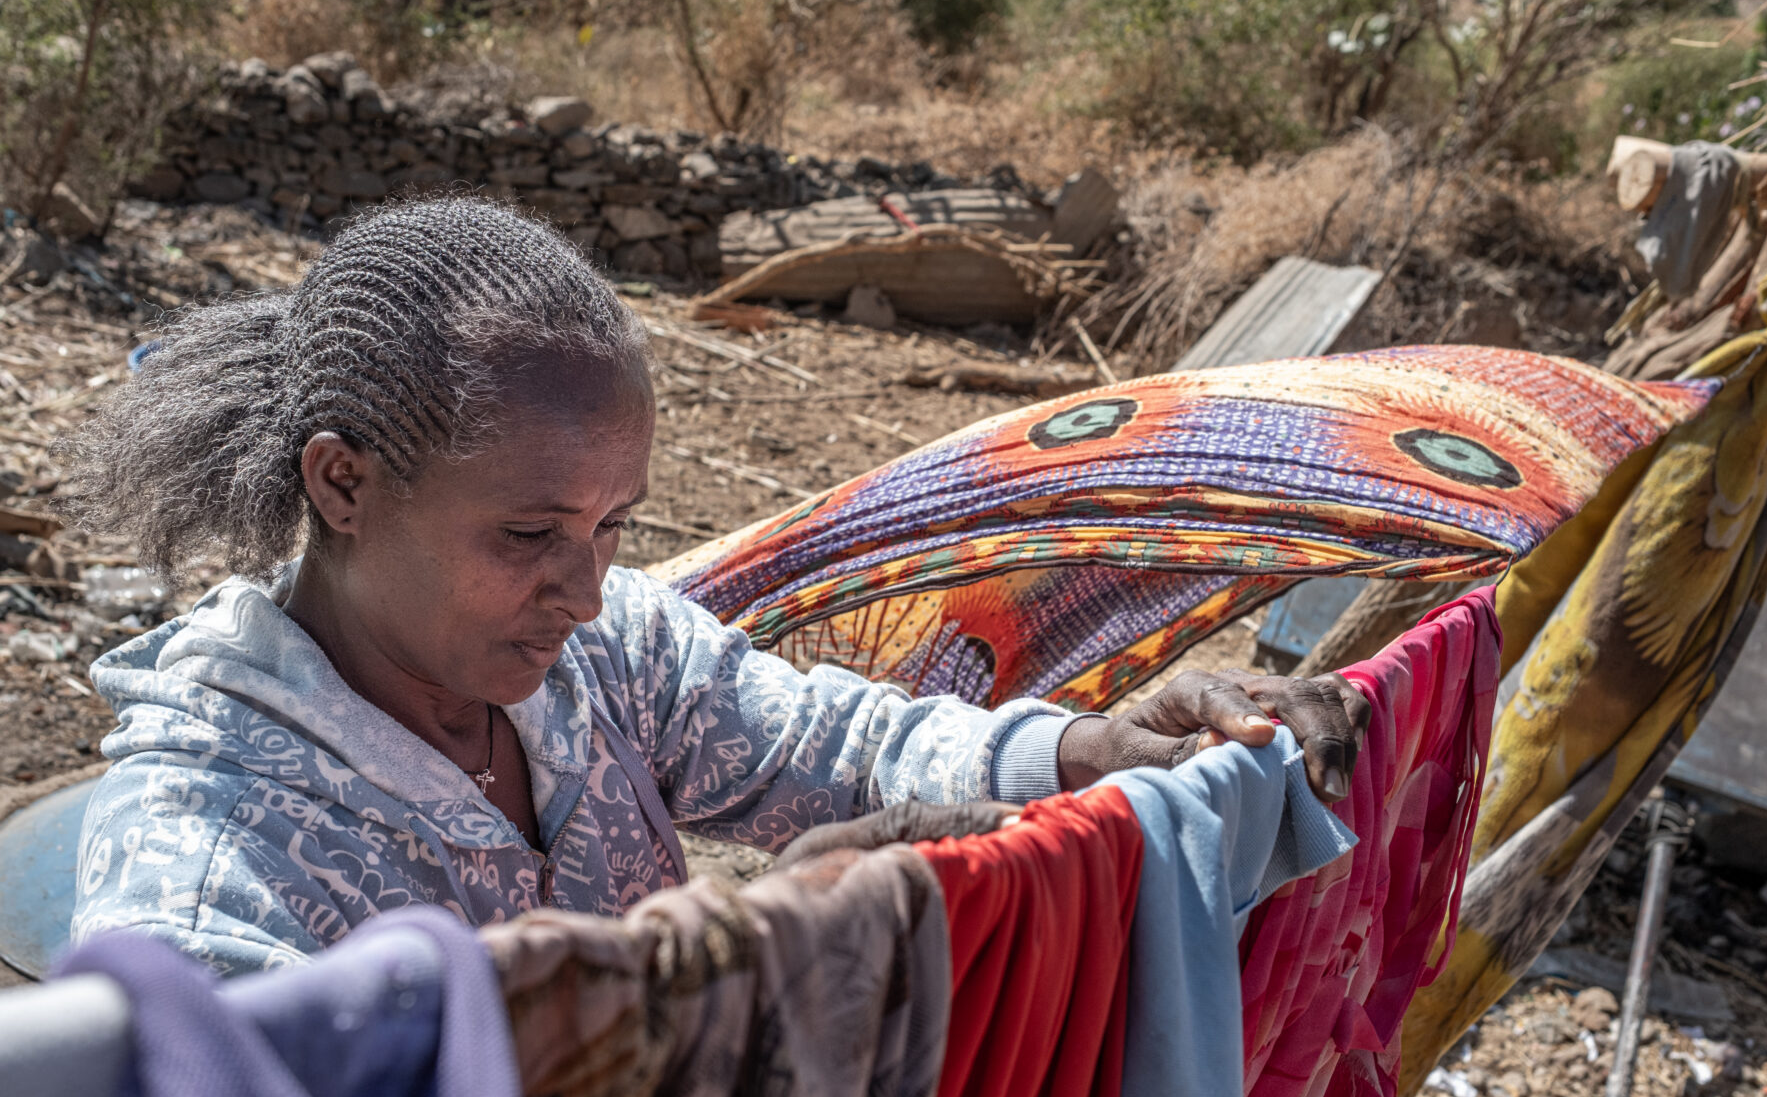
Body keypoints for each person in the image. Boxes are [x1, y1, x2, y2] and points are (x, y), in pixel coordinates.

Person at [58, 199, 1367, 975]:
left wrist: (1082, 748)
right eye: (528, 535)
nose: (584, 588)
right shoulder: (214, 855)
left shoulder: (602, 660)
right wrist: (728, 965)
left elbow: (829, 739)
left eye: (616, 525)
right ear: (343, 486)